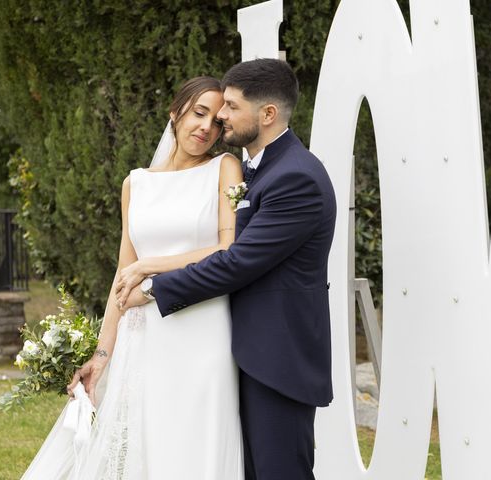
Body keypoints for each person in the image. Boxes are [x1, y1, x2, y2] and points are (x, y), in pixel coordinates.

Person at [118, 59, 337, 480]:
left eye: (231, 107)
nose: (220, 116)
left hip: (277, 361)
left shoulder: (297, 177)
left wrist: (150, 287)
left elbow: (236, 261)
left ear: (267, 114)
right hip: (241, 354)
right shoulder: (261, 169)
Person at [21, 76, 245, 479]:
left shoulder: (224, 168)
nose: (205, 127)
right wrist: (100, 358)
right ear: (174, 113)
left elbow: (229, 249)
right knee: (146, 443)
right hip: (145, 338)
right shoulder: (136, 183)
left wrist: (150, 266)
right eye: (198, 113)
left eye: (216, 120)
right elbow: (120, 282)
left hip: (204, 332)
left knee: (195, 444)